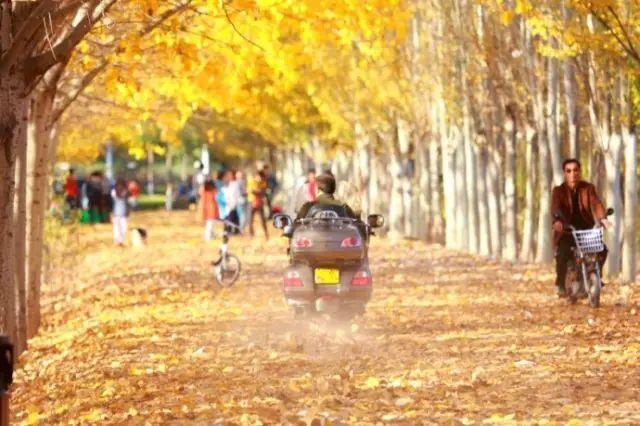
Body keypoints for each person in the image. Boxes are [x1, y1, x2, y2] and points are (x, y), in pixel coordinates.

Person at [551, 159, 611, 297]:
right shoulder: (558, 191)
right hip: (567, 231)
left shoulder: (588, 188)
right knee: (562, 253)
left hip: (585, 232)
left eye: (575, 170)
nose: (573, 174)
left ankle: (596, 275)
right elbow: (555, 208)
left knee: (602, 250)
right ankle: (560, 283)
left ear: (580, 171)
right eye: (569, 171)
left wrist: (603, 218)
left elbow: (597, 204)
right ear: (565, 173)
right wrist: (557, 222)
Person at [248, 170, 269, 239]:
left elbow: (262, 192)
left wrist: (257, 191)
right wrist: (257, 191)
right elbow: (251, 191)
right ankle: (251, 233)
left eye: (260, 177)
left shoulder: (263, 183)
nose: (259, 178)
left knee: (263, 219)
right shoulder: (252, 182)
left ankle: (266, 233)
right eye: (258, 176)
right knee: (250, 219)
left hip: (260, 203)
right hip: (252, 202)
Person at [111, 179, 130, 246]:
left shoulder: (113, 192)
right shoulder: (125, 192)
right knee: (122, 227)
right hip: (122, 213)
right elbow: (127, 203)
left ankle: (117, 241)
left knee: (117, 227)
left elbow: (112, 203)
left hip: (116, 212)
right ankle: (120, 240)